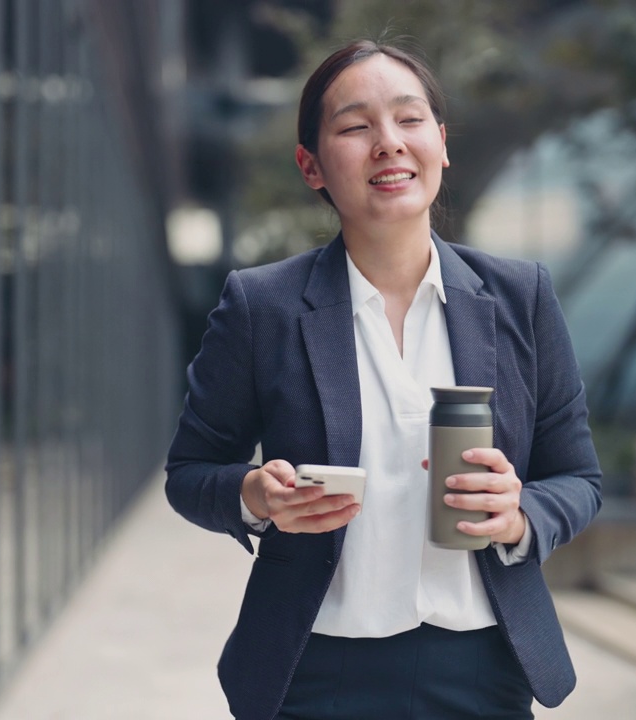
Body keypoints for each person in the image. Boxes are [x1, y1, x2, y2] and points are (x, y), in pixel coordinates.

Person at [165, 39, 602, 720]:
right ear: (311, 165)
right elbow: (190, 470)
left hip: (483, 672)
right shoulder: (262, 307)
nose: (388, 143)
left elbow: (579, 479)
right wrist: (256, 495)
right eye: (355, 126)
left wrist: (518, 517)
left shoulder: (522, 297)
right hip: (315, 673)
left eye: (409, 119)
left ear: (441, 143)